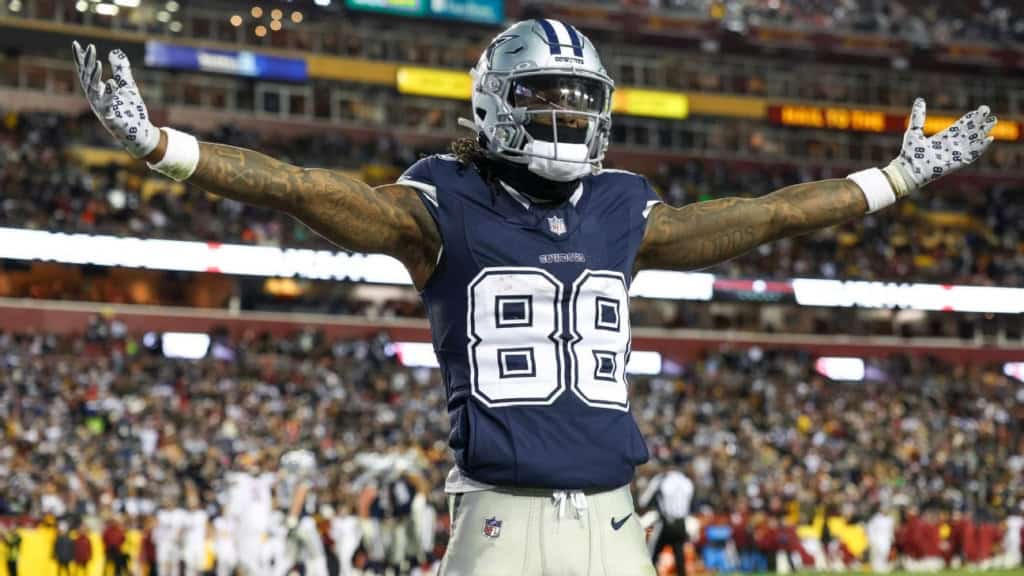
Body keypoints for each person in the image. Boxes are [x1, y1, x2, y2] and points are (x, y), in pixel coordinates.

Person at [71, 16, 997, 573]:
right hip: (498, 519)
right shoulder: (441, 204)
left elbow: (771, 215)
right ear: (495, 104)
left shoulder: (623, 207)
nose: (569, 117)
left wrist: (894, 179)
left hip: (617, 519)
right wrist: (166, 147)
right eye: (545, 96)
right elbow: (306, 188)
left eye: (579, 98)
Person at [639, 462, 694, 575]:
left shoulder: (661, 479)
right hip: (681, 523)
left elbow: (644, 501)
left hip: (665, 522)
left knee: (652, 554)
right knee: (679, 556)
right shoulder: (686, 481)